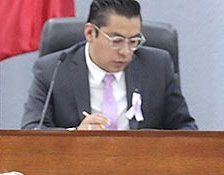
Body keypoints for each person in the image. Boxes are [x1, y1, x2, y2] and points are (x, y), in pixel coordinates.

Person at [20, 0, 197, 131]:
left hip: (142, 165)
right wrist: (75, 134)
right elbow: (32, 130)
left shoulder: (158, 66)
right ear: (90, 33)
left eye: (134, 41)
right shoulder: (53, 69)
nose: (126, 51)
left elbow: (185, 128)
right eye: (117, 41)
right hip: (77, 165)